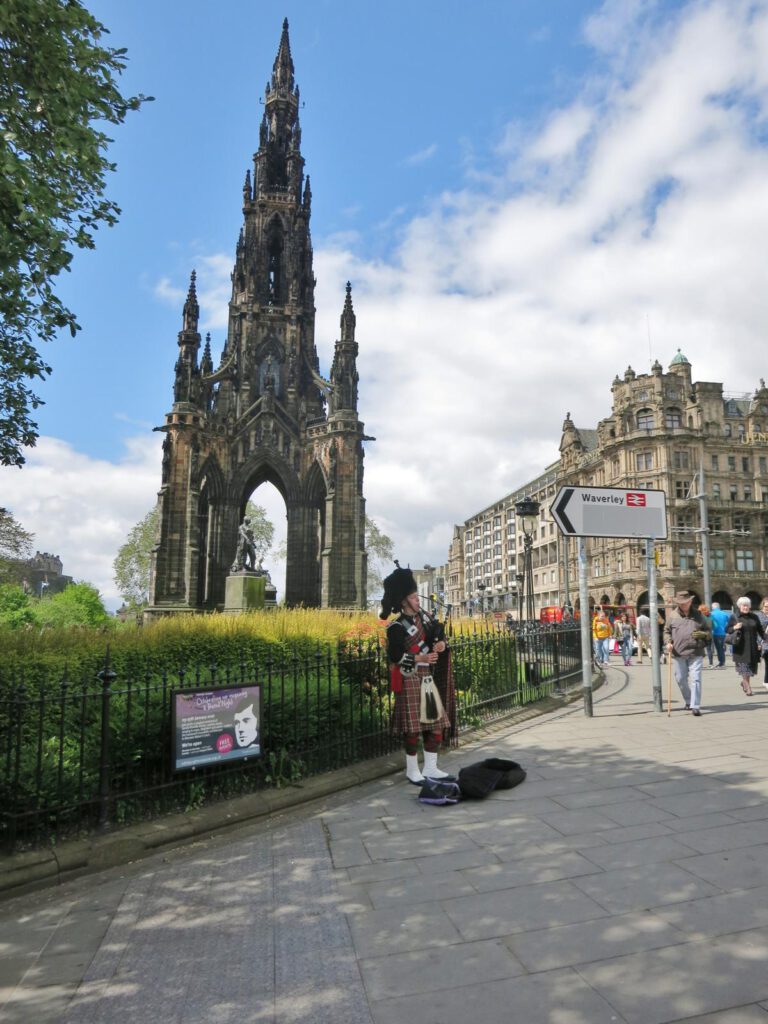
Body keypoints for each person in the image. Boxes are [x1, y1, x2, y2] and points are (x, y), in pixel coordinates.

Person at [381, 566, 456, 784]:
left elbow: (439, 640)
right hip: (409, 677)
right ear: (404, 601)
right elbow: (395, 656)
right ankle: (412, 770)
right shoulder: (396, 626)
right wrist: (419, 659)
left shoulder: (427, 621)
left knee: (435, 724)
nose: (418, 600)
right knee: (412, 727)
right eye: (414, 597)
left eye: (416, 596)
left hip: (427, 678)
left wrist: (442, 645)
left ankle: (431, 768)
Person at [664, 590, 710, 716]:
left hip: (696, 651)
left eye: (686, 602)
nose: (683, 605)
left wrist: (704, 634)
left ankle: (695, 706)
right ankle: (689, 700)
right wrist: (668, 642)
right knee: (680, 678)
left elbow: (708, 631)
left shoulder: (699, 615)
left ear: (690, 601)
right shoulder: (672, 616)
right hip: (678, 652)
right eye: (681, 603)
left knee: (696, 679)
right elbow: (666, 631)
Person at [726, 596, 765, 697]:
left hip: (752, 646)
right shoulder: (735, 616)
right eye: (744, 605)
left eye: (747, 605)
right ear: (739, 606)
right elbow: (728, 630)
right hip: (740, 647)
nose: (746, 607)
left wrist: (765, 638)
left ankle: (744, 683)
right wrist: (734, 627)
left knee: (750, 669)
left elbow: (760, 631)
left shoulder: (754, 617)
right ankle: (748, 688)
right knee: (744, 668)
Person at [710, 602, 730, 668]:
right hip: (723, 633)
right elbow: (729, 622)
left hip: (716, 633)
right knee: (721, 648)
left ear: (713, 607)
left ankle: (721, 663)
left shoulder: (711, 614)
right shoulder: (725, 613)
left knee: (719, 649)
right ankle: (722, 662)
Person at [698, 604, 714, 668]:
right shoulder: (709, 617)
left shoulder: (700, 618)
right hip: (709, 635)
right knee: (709, 650)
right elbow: (712, 626)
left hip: (701, 634)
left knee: (700, 649)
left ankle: (700, 664)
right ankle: (711, 664)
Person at [758, 597, 768, 690]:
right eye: (766, 606)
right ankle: (766, 681)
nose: (767, 608)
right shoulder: (759, 615)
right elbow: (757, 630)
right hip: (764, 642)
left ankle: (766, 681)